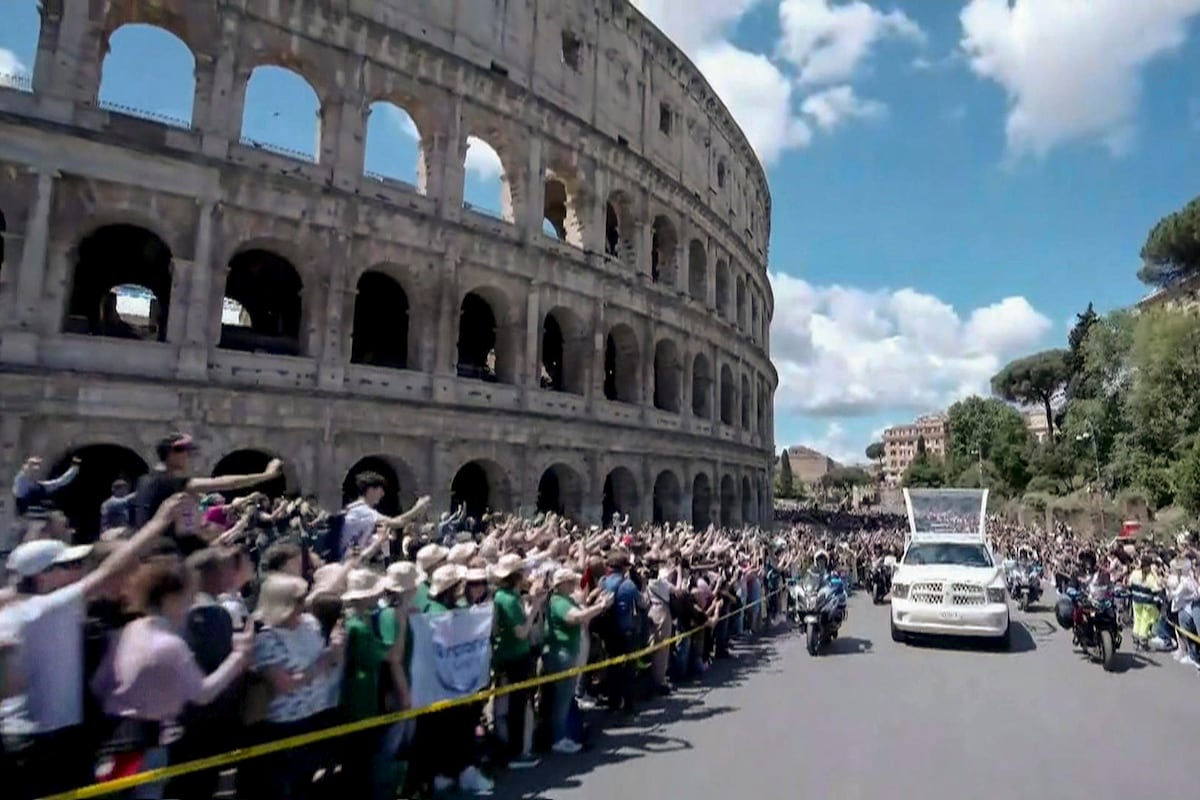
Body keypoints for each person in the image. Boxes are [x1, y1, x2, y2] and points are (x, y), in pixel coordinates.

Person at [0, 493, 186, 799]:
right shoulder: (46, 609)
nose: (79, 569)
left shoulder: (17, 611)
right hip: (45, 743)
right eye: (69, 564)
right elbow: (108, 571)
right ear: (44, 576)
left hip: (27, 736)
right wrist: (158, 522)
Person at [131, 434, 285, 556]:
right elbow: (226, 483)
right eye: (187, 453)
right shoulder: (169, 481)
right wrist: (266, 475)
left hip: (146, 552)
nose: (189, 458)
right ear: (173, 452)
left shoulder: (145, 481)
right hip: (163, 557)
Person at [339, 471, 432, 559]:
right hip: (346, 561)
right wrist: (418, 508)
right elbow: (398, 522)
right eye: (381, 490)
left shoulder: (353, 509)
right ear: (371, 490)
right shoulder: (364, 512)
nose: (383, 494)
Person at [12, 455, 80, 516]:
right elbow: (26, 473)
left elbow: (60, 482)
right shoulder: (21, 482)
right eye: (34, 466)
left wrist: (74, 468)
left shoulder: (40, 487)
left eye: (37, 468)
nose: (36, 470)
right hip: (24, 514)